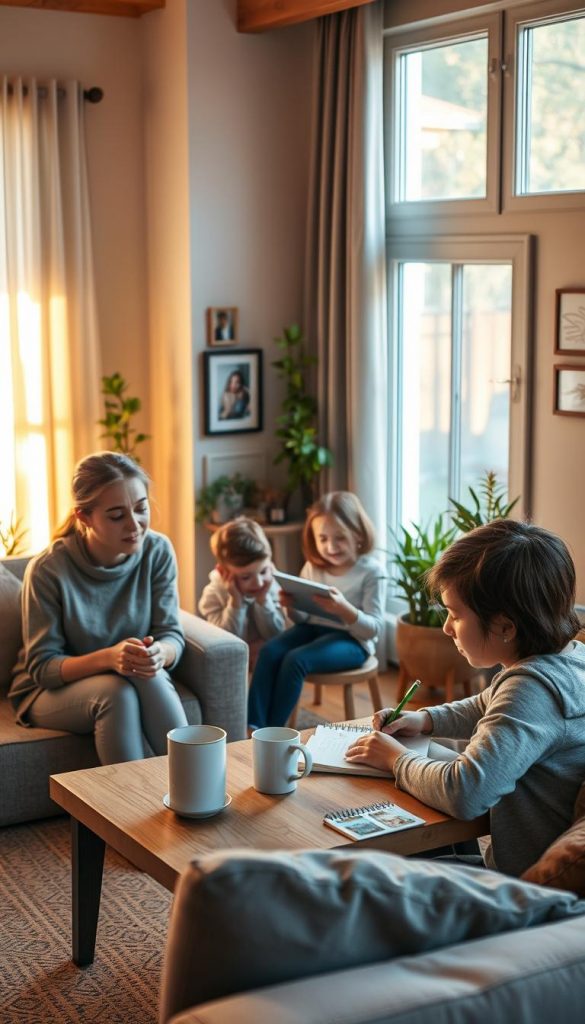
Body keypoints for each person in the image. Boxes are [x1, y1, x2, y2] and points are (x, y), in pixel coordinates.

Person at [345, 519, 585, 878]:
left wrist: (395, 759)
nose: (445, 628)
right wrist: (424, 719)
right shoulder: (567, 659)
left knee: (374, 872)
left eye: (454, 615)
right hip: (514, 869)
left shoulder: (532, 691)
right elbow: (486, 704)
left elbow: (465, 792)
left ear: (505, 626)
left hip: (515, 887)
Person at [9, 451, 189, 765]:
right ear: (84, 517)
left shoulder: (157, 551)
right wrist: (110, 658)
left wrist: (161, 653)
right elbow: (43, 668)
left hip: (130, 674)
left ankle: (199, 789)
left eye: (141, 508)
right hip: (46, 691)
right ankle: (129, 810)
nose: (135, 525)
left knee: (150, 673)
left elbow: (171, 633)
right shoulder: (48, 570)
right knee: (114, 693)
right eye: (117, 515)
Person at [247, 491, 386, 729]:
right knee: (269, 651)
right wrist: (290, 606)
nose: (330, 546)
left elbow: (373, 630)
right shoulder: (314, 567)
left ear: (358, 534)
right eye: (323, 539)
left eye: (339, 538)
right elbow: (302, 619)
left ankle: (273, 732)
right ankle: (253, 726)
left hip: (353, 641)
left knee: (295, 660)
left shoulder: (371, 572)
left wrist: (344, 609)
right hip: (312, 629)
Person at [198, 517, 287, 671]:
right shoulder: (213, 595)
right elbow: (225, 643)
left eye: (264, 571)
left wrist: (263, 600)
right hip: (230, 665)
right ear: (223, 572)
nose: (258, 583)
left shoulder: (270, 584)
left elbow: (277, 634)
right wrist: (235, 603)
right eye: (246, 577)